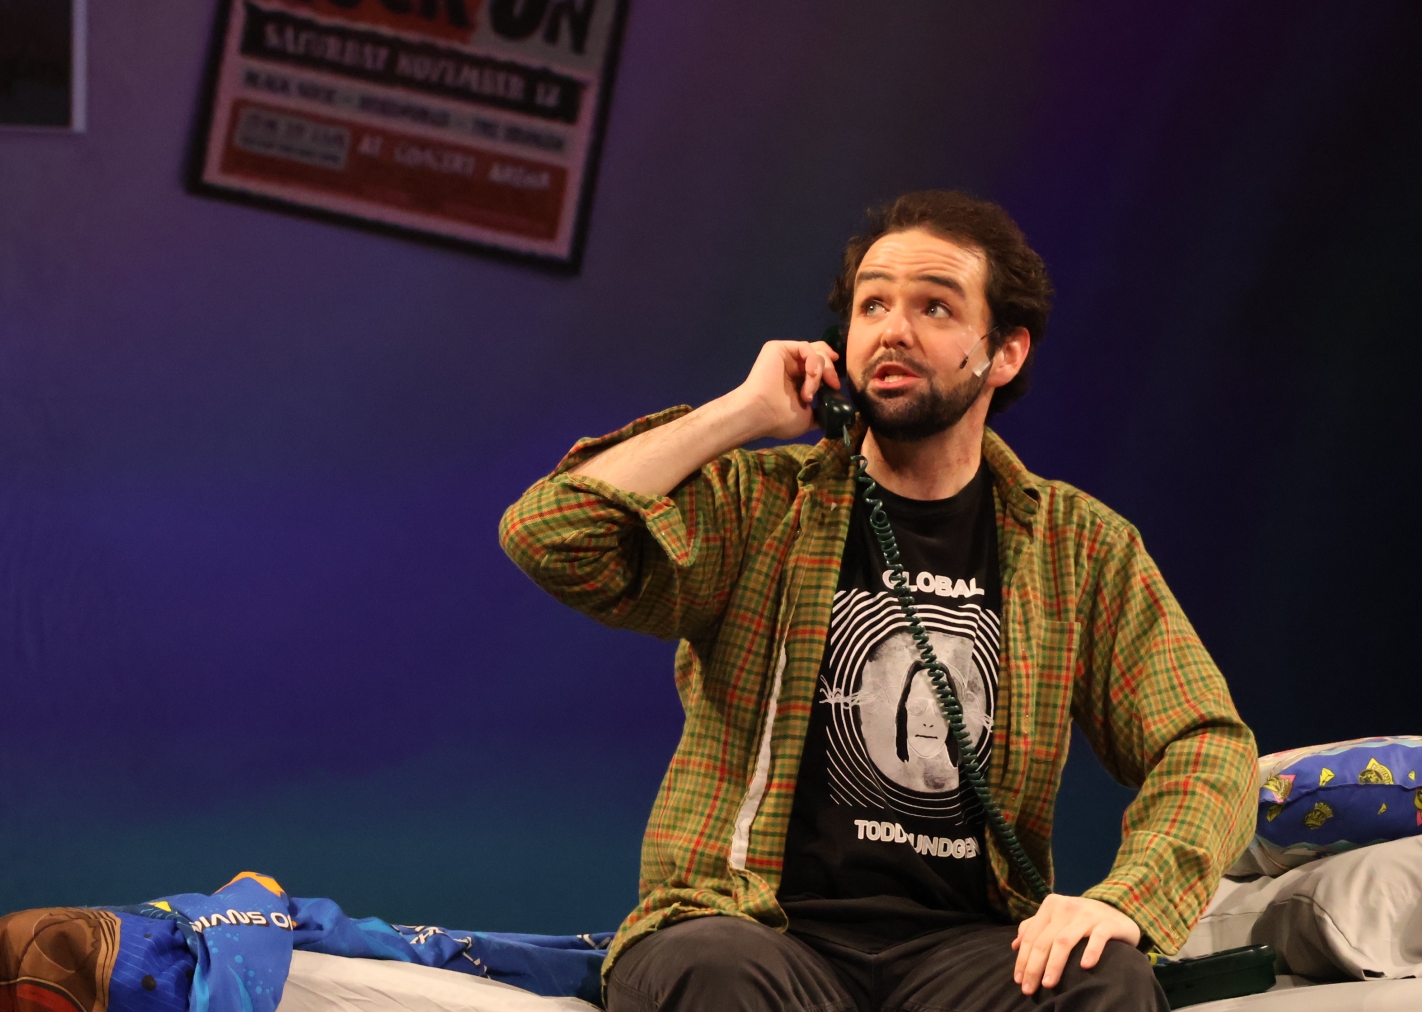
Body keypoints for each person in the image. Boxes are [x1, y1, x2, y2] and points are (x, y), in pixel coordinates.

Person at [499, 190, 1259, 1012]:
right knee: (712, 968)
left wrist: (1126, 901)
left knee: (1105, 980)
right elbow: (550, 534)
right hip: (758, 930)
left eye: (935, 306)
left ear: (1004, 353)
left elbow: (1205, 743)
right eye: (871, 305)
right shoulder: (760, 502)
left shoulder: (1078, 545)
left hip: (965, 950)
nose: (893, 329)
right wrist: (742, 413)